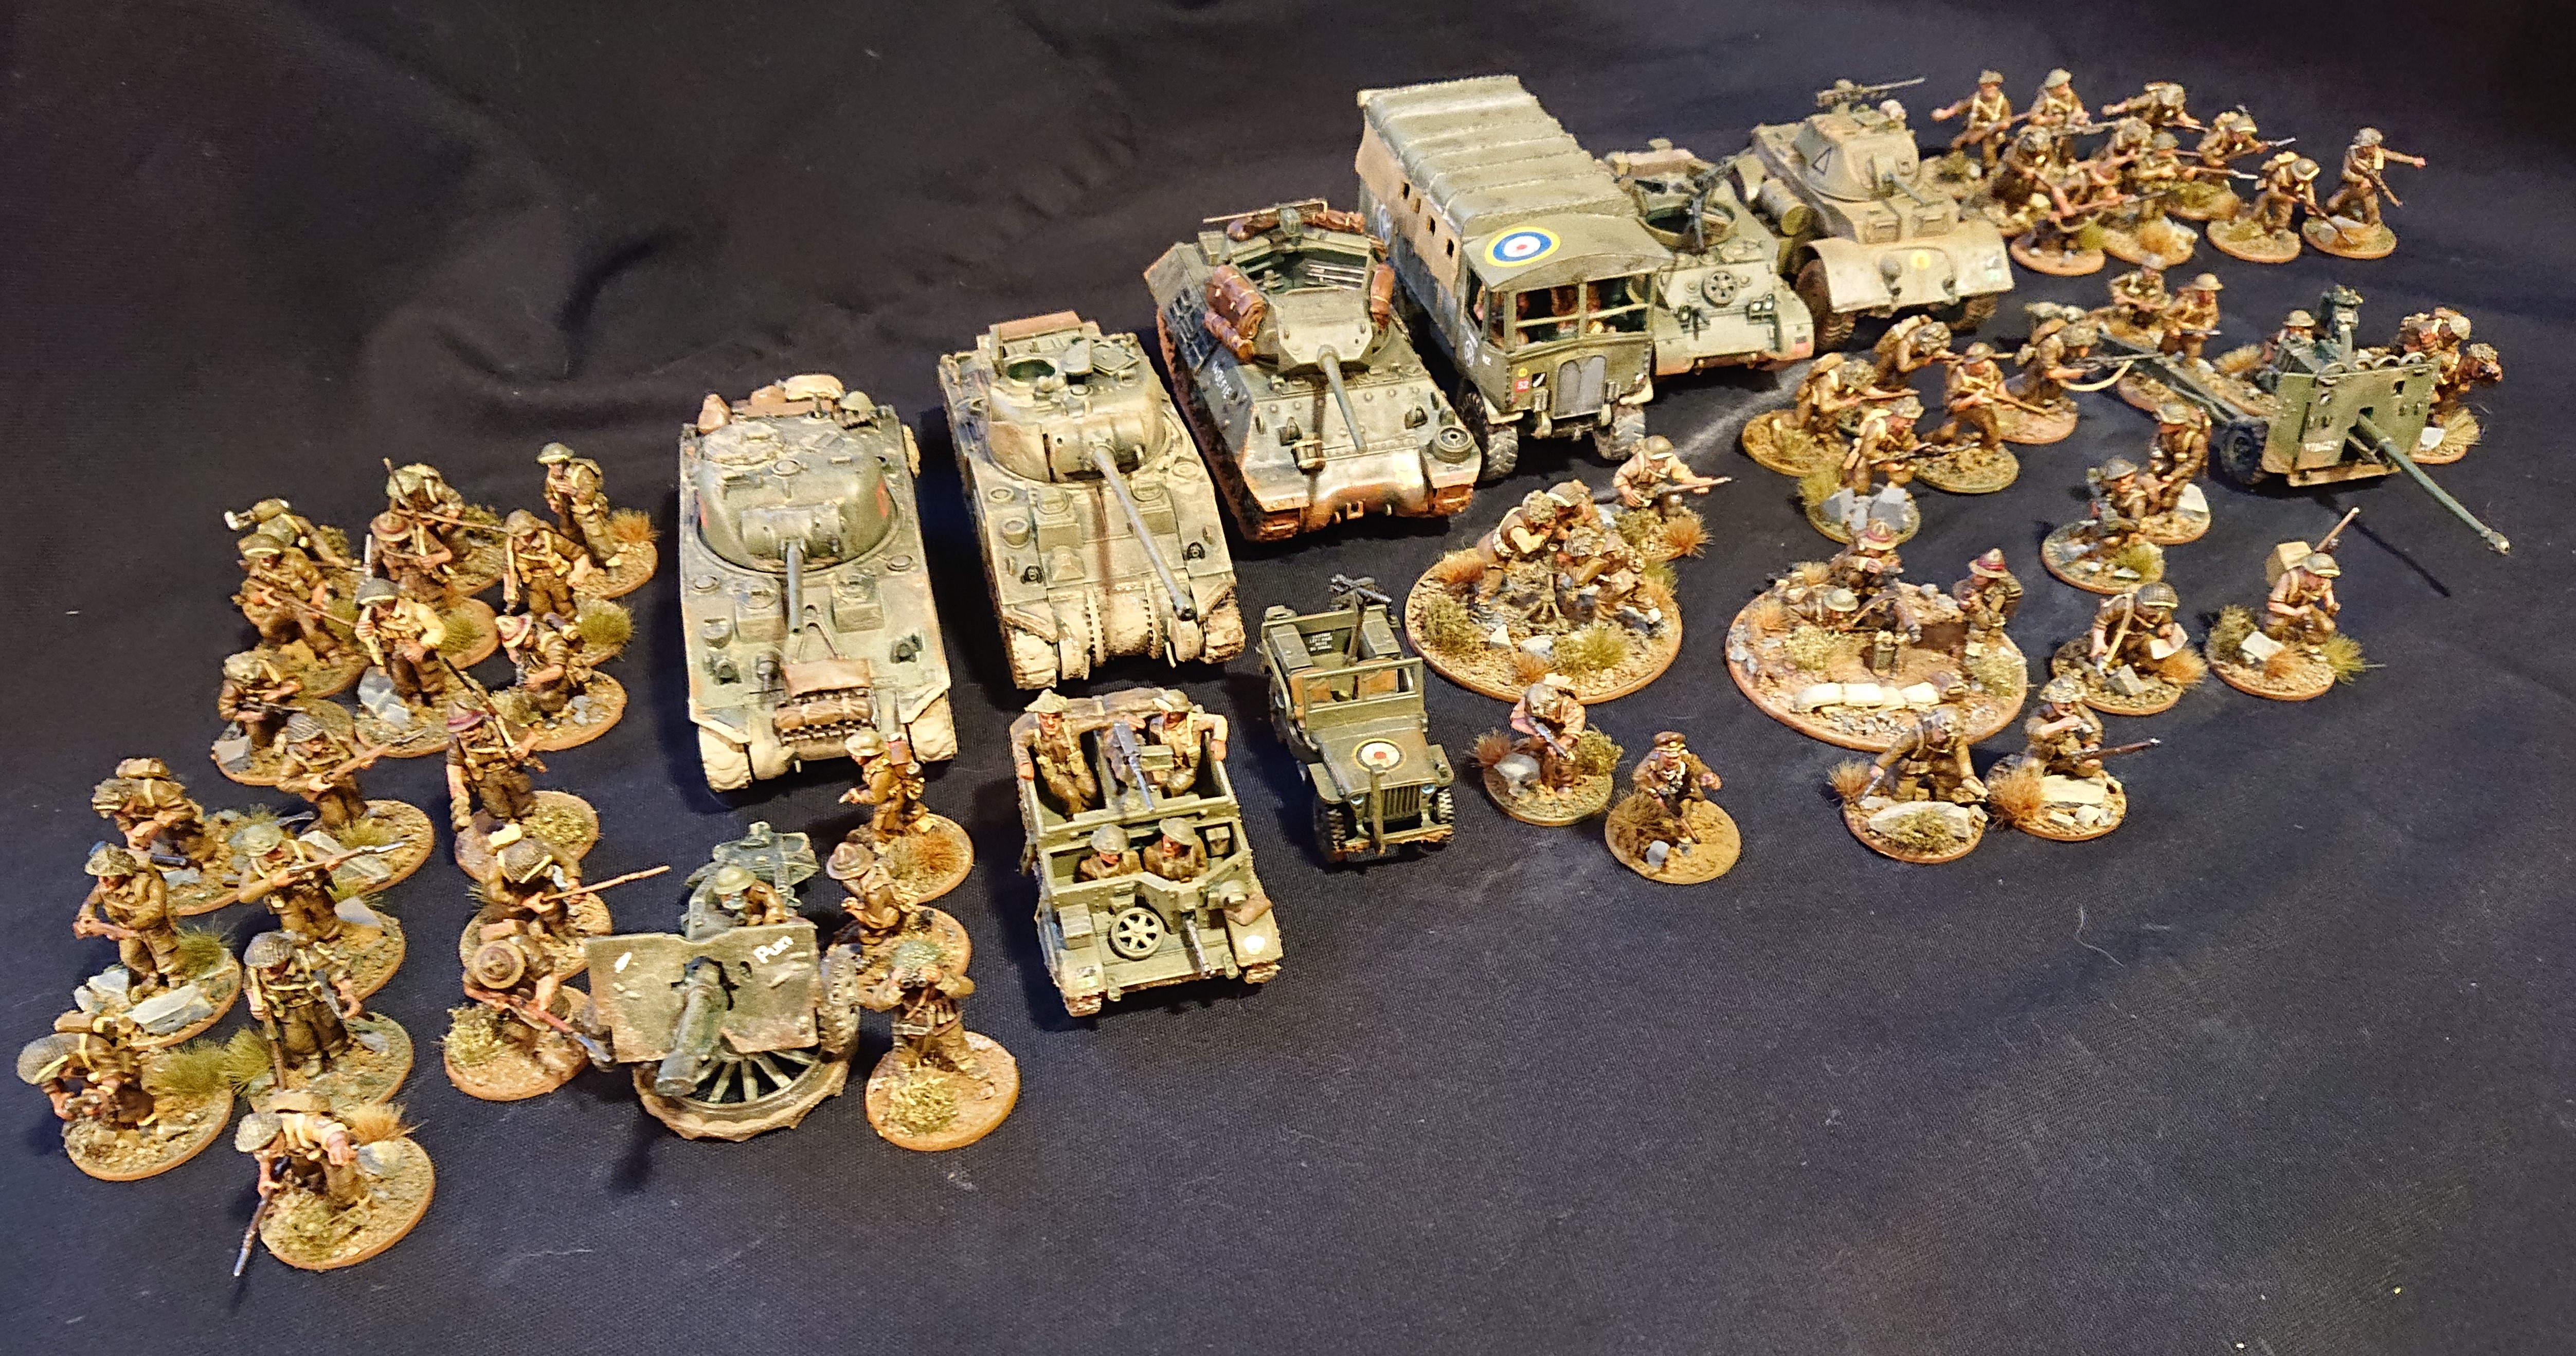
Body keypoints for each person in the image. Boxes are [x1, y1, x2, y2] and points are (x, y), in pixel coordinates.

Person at [243, 930, 361, 1074]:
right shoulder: (254, 973)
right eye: (263, 967)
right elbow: (250, 989)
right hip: (288, 1011)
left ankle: (338, 1052)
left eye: (273, 965)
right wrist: (257, 1007)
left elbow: (335, 971)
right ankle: (312, 1058)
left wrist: (347, 992)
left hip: (316, 1004)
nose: (267, 971)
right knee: (297, 1038)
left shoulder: (307, 959)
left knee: (329, 1030)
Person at [74, 844, 183, 993]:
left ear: (123, 873)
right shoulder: (103, 888)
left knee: (165, 955)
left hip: (153, 928)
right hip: (125, 930)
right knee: (131, 957)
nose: (103, 880)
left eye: (109, 875)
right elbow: (90, 903)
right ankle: (152, 976)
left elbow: (156, 910)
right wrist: (86, 917)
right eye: (99, 875)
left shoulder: (150, 883)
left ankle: (176, 979)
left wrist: (131, 925)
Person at [231, 822, 346, 943]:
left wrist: (327, 863)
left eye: (279, 845)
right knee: (297, 933)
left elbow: (323, 856)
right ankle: (306, 948)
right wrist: (272, 883)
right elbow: (244, 895)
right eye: (273, 851)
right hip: (287, 904)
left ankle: (335, 940)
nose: (280, 850)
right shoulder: (255, 868)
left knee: (327, 920)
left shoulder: (299, 847)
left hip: (313, 893)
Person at [353, 577, 450, 708]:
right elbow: (365, 637)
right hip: (393, 649)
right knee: (399, 673)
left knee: (427, 669)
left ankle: (435, 694)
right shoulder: (369, 615)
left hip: (416, 646)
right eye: (375, 606)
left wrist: (422, 646)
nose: (378, 611)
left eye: (382, 606)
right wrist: (364, 632)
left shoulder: (417, 611)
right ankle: (413, 695)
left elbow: (438, 630)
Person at [274, 713, 377, 834]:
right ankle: (340, 835)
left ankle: (363, 827)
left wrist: (362, 756)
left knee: (357, 807)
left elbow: (353, 744)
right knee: (336, 816)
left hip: (345, 782)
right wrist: (309, 784)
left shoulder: (333, 740)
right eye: (310, 742)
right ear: (299, 743)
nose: (317, 743)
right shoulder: (295, 759)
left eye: (318, 738)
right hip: (324, 791)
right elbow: (283, 783)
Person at [446, 707, 541, 834]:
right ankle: (508, 826)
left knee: (522, 799)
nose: (468, 734)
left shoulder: (498, 726)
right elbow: (453, 766)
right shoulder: (457, 742)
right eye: (462, 731)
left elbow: (532, 736)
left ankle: (528, 821)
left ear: (480, 723)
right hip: (486, 778)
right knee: (496, 806)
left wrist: (524, 748)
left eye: (471, 728)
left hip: (510, 770)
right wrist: (457, 786)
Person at [538, 442, 624, 570]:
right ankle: (584, 555)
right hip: (566, 510)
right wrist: (552, 501)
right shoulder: (552, 475)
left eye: (558, 463)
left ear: (565, 461)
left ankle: (611, 562)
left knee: (596, 535)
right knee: (567, 533)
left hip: (586, 510)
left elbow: (590, 494)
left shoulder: (581, 473)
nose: (554, 467)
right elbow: (548, 490)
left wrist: (573, 491)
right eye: (551, 464)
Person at [1628, 732, 1722, 845]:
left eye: (1675, 757)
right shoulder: (1649, 765)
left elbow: (1696, 765)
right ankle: (1675, 826)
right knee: (1663, 811)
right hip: (1661, 792)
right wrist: (1655, 795)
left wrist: (1704, 775)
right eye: (1668, 758)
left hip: (1682, 787)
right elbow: (1638, 778)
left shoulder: (1685, 758)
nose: (1672, 761)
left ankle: (1683, 829)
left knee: (1687, 805)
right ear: (1659, 754)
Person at [2320, 127, 2424, 230]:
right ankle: (2324, 219)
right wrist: (2361, 180)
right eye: (2368, 146)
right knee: (2331, 205)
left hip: (2368, 191)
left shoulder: (2379, 154)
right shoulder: (2352, 153)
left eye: (2372, 146)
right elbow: (2345, 173)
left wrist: (2414, 161)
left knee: (2373, 213)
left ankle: (2371, 230)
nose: (2371, 148)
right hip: (2350, 187)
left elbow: (2396, 156)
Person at [1014, 690, 1097, 813]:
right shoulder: (1034, 734)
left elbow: (1099, 721)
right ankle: (1074, 817)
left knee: (1090, 791)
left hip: (1078, 769)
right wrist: (1025, 762)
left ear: (1061, 716)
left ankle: (1090, 812)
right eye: (1045, 718)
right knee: (1071, 796)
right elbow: (1019, 743)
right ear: (1039, 717)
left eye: (1055, 717)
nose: (1050, 723)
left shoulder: (1072, 728)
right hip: (1055, 774)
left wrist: (1122, 719)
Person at [840, 728, 928, 843]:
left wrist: (860, 797)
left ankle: (886, 845)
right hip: (896, 792)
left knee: (881, 829)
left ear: (869, 754)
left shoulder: (880, 772)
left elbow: (877, 798)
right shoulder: (882, 756)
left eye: (857, 754)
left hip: (891, 801)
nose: (853, 757)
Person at [2087, 583, 2189, 676]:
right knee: (2108, 659)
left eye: (2160, 609)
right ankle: (2106, 669)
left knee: (2152, 653)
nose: (2155, 612)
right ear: (2140, 602)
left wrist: (2165, 628)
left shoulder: (2161, 613)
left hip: (2139, 638)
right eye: (2151, 608)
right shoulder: (2124, 606)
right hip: (2116, 636)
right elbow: (2101, 621)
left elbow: (2165, 621)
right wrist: (2099, 641)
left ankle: (2136, 666)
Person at [218, 650, 302, 758]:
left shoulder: (271, 669)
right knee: (252, 727)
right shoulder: (232, 686)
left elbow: (296, 682)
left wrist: (279, 692)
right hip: (258, 716)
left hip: (284, 706)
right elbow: (226, 712)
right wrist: (248, 715)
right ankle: (259, 748)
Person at [1509, 674, 1587, 791]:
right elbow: (1523, 717)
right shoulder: (1532, 700)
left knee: (1566, 761)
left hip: (1564, 736)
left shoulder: (1571, 707)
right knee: (1533, 750)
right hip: (1543, 731)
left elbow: (1575, 726)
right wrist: (1536, 736)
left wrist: (1563, 742)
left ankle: (1565, 785)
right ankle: (1531, 777)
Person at [501, 510, 581, 623]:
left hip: (556, 579)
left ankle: (570, 626)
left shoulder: (550, 539)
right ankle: (546, 628)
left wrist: (578, 573)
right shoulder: (511, 547)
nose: (525, 539)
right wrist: (508, 589)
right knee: (539, 609)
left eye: (527, 535)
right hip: (534, 583)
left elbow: (577, 553)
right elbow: (508, 569)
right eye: (520, 536)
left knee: (564, 606)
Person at [2021, 676, 2106, 779]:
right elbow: (2034, 732)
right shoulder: (2042, 712)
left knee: (2090, 767)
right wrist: (2060, 725)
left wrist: (2091, 748)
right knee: (2030, 768)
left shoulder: (2079, 709)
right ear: (2053, 700)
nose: (2069, 707)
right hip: (2043, 749)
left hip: (2069, 747)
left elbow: (2095, 728)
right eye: (2064, 703)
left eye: (2073, 702)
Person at [1929, 70, 2013, 169]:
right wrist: (1947, 113)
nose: (1990, 89)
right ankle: (1952, 164)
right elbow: (1962, 106)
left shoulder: (2003, 103)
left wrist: (1994, 128)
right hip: (1974, 129)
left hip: (1992, 132)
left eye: (1993, 86)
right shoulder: (1976, 99)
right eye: (1987, 86)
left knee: (1988, 151)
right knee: (1957, 143)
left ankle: (1989, 172)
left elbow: (2006, 122)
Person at [2264, 552, 2340, 647]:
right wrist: (2296, 613)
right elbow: (2273, 605)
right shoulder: (2289, 578)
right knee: (2274, 628)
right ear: (2307, 573)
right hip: (2285, 612)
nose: (2323, 581)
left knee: (2327, 627)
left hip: (2307, 609)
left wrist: (2332, 608)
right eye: (2319, 577)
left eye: (2326, 577)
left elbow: (2328, 595)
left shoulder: (2325, 583)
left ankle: (2306, 646)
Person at [1952, 549, 2022, 639]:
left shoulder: (1999, 596)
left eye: (1980, 576)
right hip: (1974, 613)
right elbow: (1959, 587)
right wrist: (1964, 596)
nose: (1974, 577)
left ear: (1990, 578)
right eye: (1975, 573)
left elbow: (1988, 621)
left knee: (1976, 635)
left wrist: (1976, 607)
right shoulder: (1976, 582)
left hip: (1988, 621)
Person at [1140, 819, 1209, 882]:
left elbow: (1202, 867)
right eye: (1166, 840)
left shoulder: (1196, 845)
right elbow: (1152, 880)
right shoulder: (1151, 854)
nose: (1167, 846)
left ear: (1183, 844)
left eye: (1173, 843)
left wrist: (1199, 882)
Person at [1073, 826, 1139, 882]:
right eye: (1110, 855)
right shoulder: (1089, 868)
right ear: (1101, 852)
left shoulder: (1131, 858)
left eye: (1119, 854)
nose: (1116, 858)